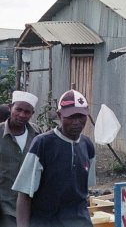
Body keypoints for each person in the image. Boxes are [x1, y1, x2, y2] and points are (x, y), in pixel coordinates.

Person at [12, 89, 96, 227]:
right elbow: (24, 193)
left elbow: (84, 192)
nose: (76, 122)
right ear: (59, 115)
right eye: (70, 116)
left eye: (80, 116)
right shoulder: (43, 144)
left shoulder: (87, 145)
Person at [0, 91, 41, 227]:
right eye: (18, 110)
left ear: (32, 113)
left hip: (32, 207)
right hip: (5, 207)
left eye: (27, 112)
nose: (22, 115)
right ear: (10, 107)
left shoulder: (37, 134)